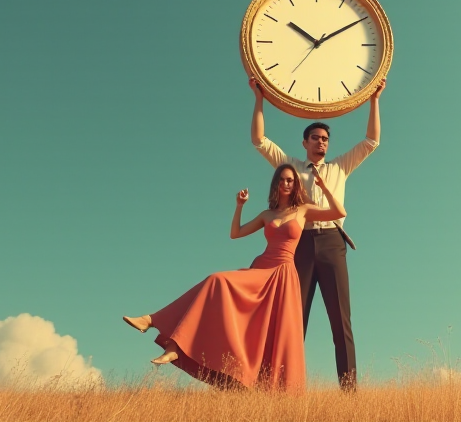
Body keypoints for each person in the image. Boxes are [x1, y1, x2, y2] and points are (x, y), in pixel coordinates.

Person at [121, 164, 344, 392]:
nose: (287, 184)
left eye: (291, 180)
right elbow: (235, 233)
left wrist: (325, 188)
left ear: (296, 184)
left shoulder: (303, 210)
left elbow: (339, 212)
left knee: (273, 335)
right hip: (262, 268)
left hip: (283, 275)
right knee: (216, 280)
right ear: (276, 184)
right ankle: (165, 334)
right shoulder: (267, 215)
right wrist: (239, 206)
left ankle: (266, 390)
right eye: (283, 180)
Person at [248, 76, 386, 390]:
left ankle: (349, 392)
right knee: (294, 319)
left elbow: (371, 142)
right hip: (301, 245)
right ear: (305, 143)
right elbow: (259, 140)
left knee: (341, 322)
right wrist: (259, 98)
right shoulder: (291, 167)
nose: (321, 142)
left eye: (325, 138)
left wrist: (374, 100)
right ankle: (282, 388)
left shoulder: (339, 167)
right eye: (315, 138)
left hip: (333, 243)